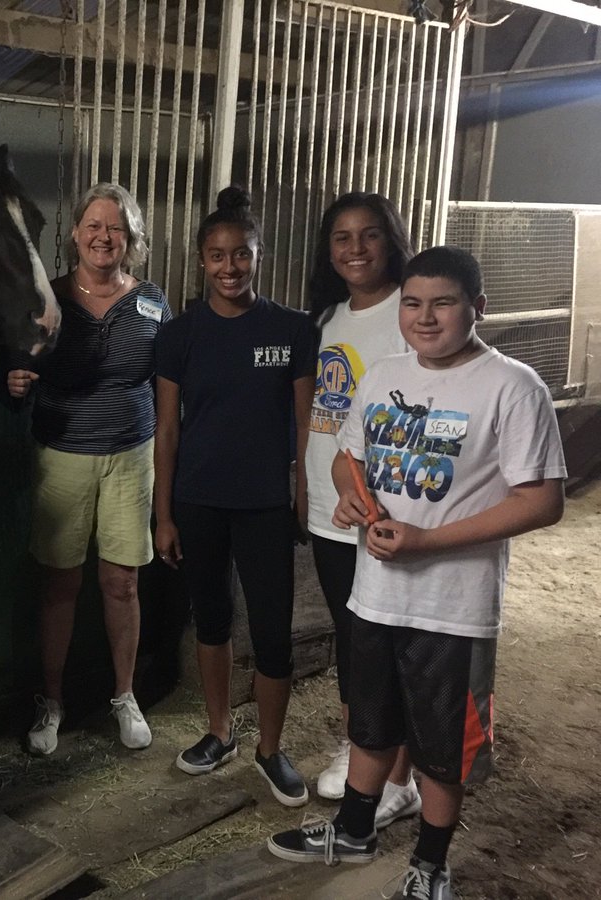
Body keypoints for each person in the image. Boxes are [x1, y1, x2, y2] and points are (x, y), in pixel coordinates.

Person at [268, 246, 566, 900]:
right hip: (376, 595)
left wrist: (428, 540)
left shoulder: (513, 386)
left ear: (477, 307)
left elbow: (543, 500)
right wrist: (351, 496)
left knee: (441, 749)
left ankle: (430, 865)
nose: (424, 318)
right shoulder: (384, 375)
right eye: (412, 303)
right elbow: (349, 456)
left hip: (453, 608)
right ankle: (353, 831)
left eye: (443, 303)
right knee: (371, 725)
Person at [154, 185, 317, 808]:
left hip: (266, 505)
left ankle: (270, 750)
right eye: (218, 256)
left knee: (272, 632)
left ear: (259, 255)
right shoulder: (180, 334)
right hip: (198, 501)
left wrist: (302, 497)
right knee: (213, 618)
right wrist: (164, 514)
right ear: (201, 260)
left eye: (242, 254)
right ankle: (220, 731)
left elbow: (305, 425)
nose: (230, 267)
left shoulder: (293, 329)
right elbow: (167, 431)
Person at [8, 182, 170, 756]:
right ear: (75, 232)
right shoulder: (46, 299)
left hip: (133, 457)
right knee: (60, 583)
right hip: (62, 454)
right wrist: (15, 379)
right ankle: (51, 702)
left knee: (122, 582)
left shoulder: (152, 302)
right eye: (94, 225)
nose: (104, 236)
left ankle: (123, 696)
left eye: (116, 227)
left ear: (132, 238)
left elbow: (166, 383)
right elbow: (17, 370)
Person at [305, 192, 422, 828]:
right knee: (353, 640)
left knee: (391, 642)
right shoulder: (326, 318)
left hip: (390, 511)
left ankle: (400, 775)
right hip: (333, 505)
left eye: (369, 234)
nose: (355, 248)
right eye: (341, 237)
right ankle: (360, 744)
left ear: (390, 240)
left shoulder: (410, 311)